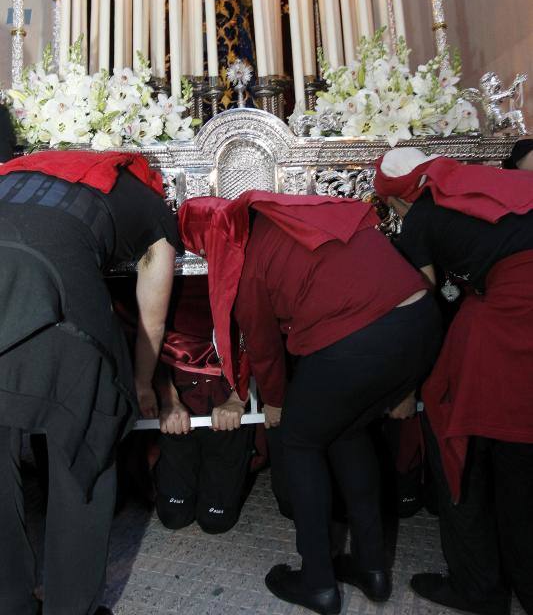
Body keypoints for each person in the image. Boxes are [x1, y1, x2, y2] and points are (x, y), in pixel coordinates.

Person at [178, 190, 442, 615]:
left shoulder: (241, 256)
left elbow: (262, 346)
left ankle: (318, 581)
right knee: (347, 432)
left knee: (299, 444)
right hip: (421, 322)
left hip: (360, 337)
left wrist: (278, 403)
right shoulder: (293, 215)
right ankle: (372, 567)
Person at [0, 149, 179, 615]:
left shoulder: (12, 175)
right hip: (57, 308)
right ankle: (69, 607)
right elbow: (151, 319)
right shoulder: (149, 203)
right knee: (86, 446)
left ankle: (9, 601)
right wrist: (141, 385)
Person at [374, 147, 533, 615]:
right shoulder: (479, 177)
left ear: (397, 202)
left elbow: (420, 310)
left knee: (461, 436)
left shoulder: (420, 216)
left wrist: (405, 389)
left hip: (512, 322)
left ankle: (479, 586)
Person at [153, 277, 254, 534]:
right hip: (176, 379)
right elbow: (144, 330)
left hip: (228, 382)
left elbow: (258, 330)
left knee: (215, 519)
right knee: (174, 514)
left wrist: (237, 398)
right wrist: (168, 400)